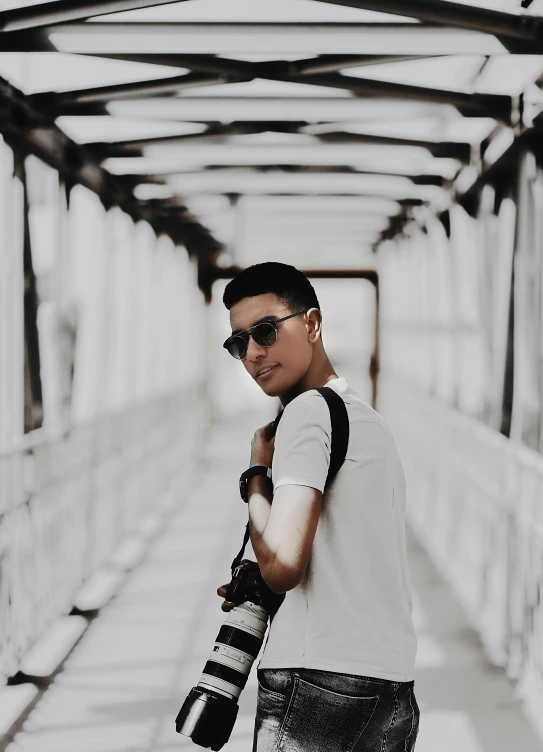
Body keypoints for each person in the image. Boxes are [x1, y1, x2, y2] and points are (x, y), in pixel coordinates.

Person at [217, 262, 419, 751]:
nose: (253, 352)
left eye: (265, 330)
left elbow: (283, 566)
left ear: (311, 323)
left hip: (320, 687)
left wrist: (256, 477)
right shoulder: (366, 419)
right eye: (238, 342)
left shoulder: (306, 412)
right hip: (389, 688)